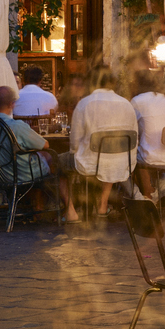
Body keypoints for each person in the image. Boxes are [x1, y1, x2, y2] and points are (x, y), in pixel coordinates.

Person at [0, 85, 76, 222]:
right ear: (12, 104)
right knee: (53, 160)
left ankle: (38, 207)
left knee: (37, 159)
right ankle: (69, 209)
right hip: (19, 173)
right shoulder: (17, 126)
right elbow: (45, 144)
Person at [69, 67, 140, 218]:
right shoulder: (126, 104)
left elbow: (74, 142)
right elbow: (135, 136)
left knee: (61, 162)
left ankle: (71, 210)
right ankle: (102, 203)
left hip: (91, 163)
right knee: (108, 160)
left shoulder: (84, 104)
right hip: (122, 161)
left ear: (91, 83)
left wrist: (76, 150)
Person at [132, 71, 165, 195]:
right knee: (150, 148)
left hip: (151, 158)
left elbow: (129, 126)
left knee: (135, 155)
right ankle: (162, 183)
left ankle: (147, 194)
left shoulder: (137, 100)